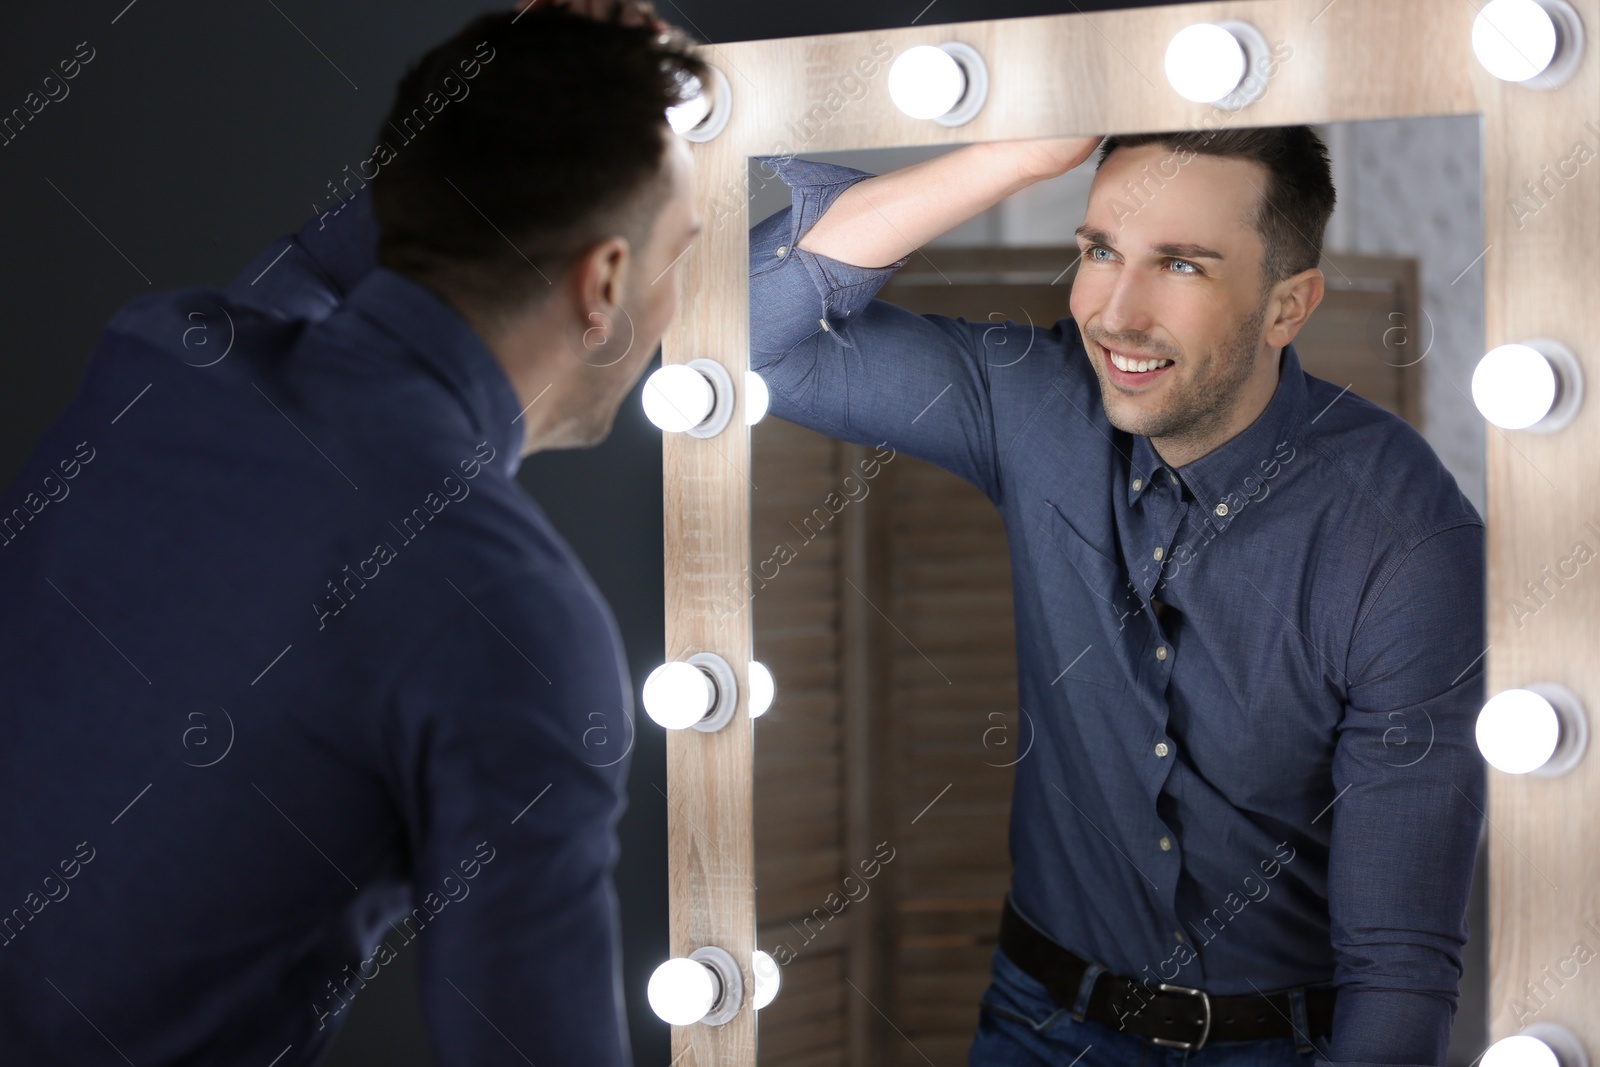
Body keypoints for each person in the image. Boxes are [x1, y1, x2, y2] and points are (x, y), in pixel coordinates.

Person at [0, 2, 704, 1064]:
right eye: (678, 252)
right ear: (603, 282)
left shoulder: (167, 357)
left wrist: (504, 85)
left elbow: (351, 256)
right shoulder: (512, 617)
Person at [748, 128, 1485, 1066]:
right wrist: (1008, 161)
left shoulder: (1407, 543)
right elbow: (744, 332)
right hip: (1036, 1021)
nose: (1117, 313)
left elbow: (1399, 966)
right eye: (1099, 251)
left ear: (1286, 307)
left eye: (1180, 263)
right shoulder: (1035, 403)